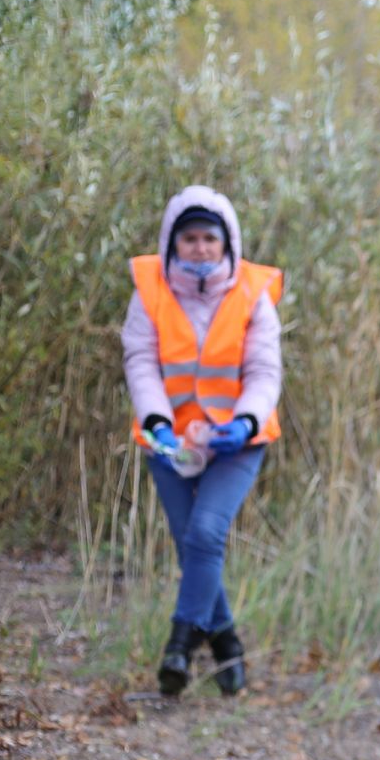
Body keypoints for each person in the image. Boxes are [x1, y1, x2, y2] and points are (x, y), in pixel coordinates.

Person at [123, 186, 284, 697]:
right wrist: (156, 420)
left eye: (208, 238)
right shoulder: (149, 290)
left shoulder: (252, 294)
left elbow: (263, 369)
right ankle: (228, 646)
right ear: (173, 242)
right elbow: (141, 360)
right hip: (169, 442)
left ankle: (179, 645)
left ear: (225, 242)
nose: (199, 248)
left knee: (205, 535)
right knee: (191, 544)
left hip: (235, 442)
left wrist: (245, 421)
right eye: (189, 238)